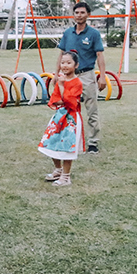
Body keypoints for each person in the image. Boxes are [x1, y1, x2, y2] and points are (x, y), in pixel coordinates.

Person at [56, 1, 105, 154]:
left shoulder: (93, 34)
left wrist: (102, 76)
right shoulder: (68, 33)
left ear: (88, 15)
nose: (79, 15)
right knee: (66, 108)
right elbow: (61, 55)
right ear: (74, 15)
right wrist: (56, 74)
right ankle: (66, 138)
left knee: (91, 110)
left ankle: (93, 143)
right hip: (69, 76)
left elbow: (99, 55)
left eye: (82, 13)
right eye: (77, 13)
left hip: (86, 75)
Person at [39, 51, 84, 187]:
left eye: (68, 63)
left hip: (71, 119)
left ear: (76, 65)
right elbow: (55, 99)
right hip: (59, 116)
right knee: (51, 141)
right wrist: (61, 91)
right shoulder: (60, 81)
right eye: (62, 62)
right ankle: (58, 170)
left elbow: (70, 101)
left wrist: (63, 87)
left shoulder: (77, 83)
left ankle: (66, 176)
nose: (65, 66)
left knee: (67, 146)